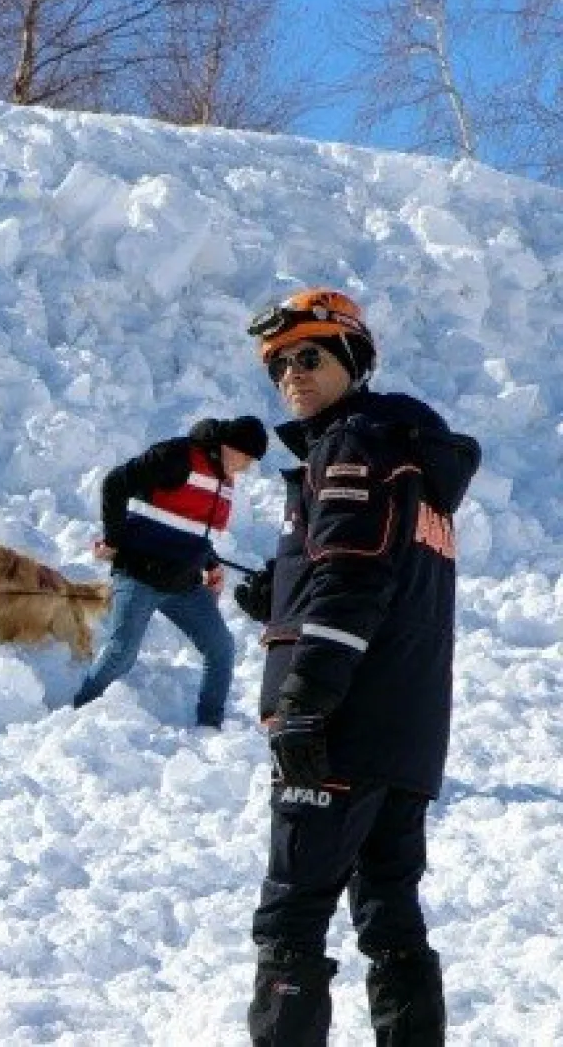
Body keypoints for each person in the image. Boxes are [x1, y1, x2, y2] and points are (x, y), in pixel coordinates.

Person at [238, 287, 479, 1046]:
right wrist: (282, 591)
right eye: (279, 367)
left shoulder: (352, 443)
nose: (292, 377)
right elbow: (372, 573)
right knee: (391, 916)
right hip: (403, 737)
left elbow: (350, 575)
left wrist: (306, 696)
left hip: (337, 726)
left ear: (352, 359)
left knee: (292, 917)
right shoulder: (412, 459)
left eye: (309, 357)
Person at [71, 415, 268, 726]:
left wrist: (211, 562)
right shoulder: (176, 456)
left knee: (221, 649)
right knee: (122, 653)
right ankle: (80, 710)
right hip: (139, 575)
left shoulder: (224, 482)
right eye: (245, 457)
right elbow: (115, 483)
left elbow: (190, 528)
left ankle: (210, 725)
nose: (245, 467)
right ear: (226, 447)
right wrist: (113, 540)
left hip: (183, 585)